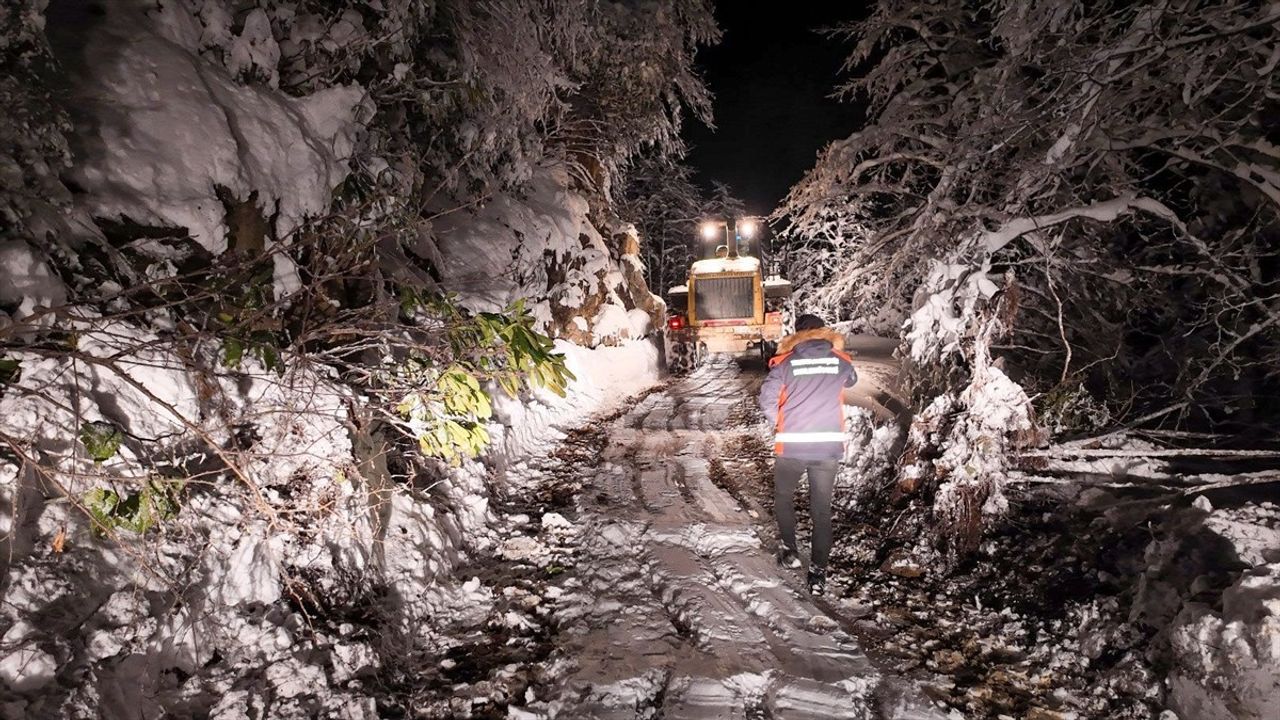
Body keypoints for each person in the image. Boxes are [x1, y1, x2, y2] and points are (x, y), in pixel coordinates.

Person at [757, 313, 857, 595]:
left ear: (797, 335)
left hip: (792, 446)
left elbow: (766, 399)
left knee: (784, 498)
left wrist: (779, 422)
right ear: (823, 333)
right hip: (827, 448)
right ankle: (818, 575)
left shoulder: (784, 364)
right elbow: (850, 381)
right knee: (821, 511)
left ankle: (790, 551)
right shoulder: (841, 362)